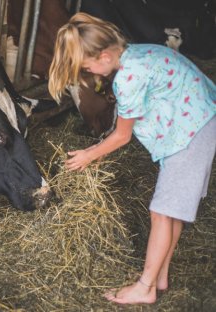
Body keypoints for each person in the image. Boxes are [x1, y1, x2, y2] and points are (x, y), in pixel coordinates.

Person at [48, 12, 216, 305]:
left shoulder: (127, 77)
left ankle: (146, 286)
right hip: (196, 122)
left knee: (161, 212)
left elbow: (122, 136)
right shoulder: (136, 53)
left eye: (88, 67)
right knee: (171, 209)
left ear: (102, 56)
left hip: (191, 132)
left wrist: (88, 154)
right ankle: (160, 274)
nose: (93, 75)